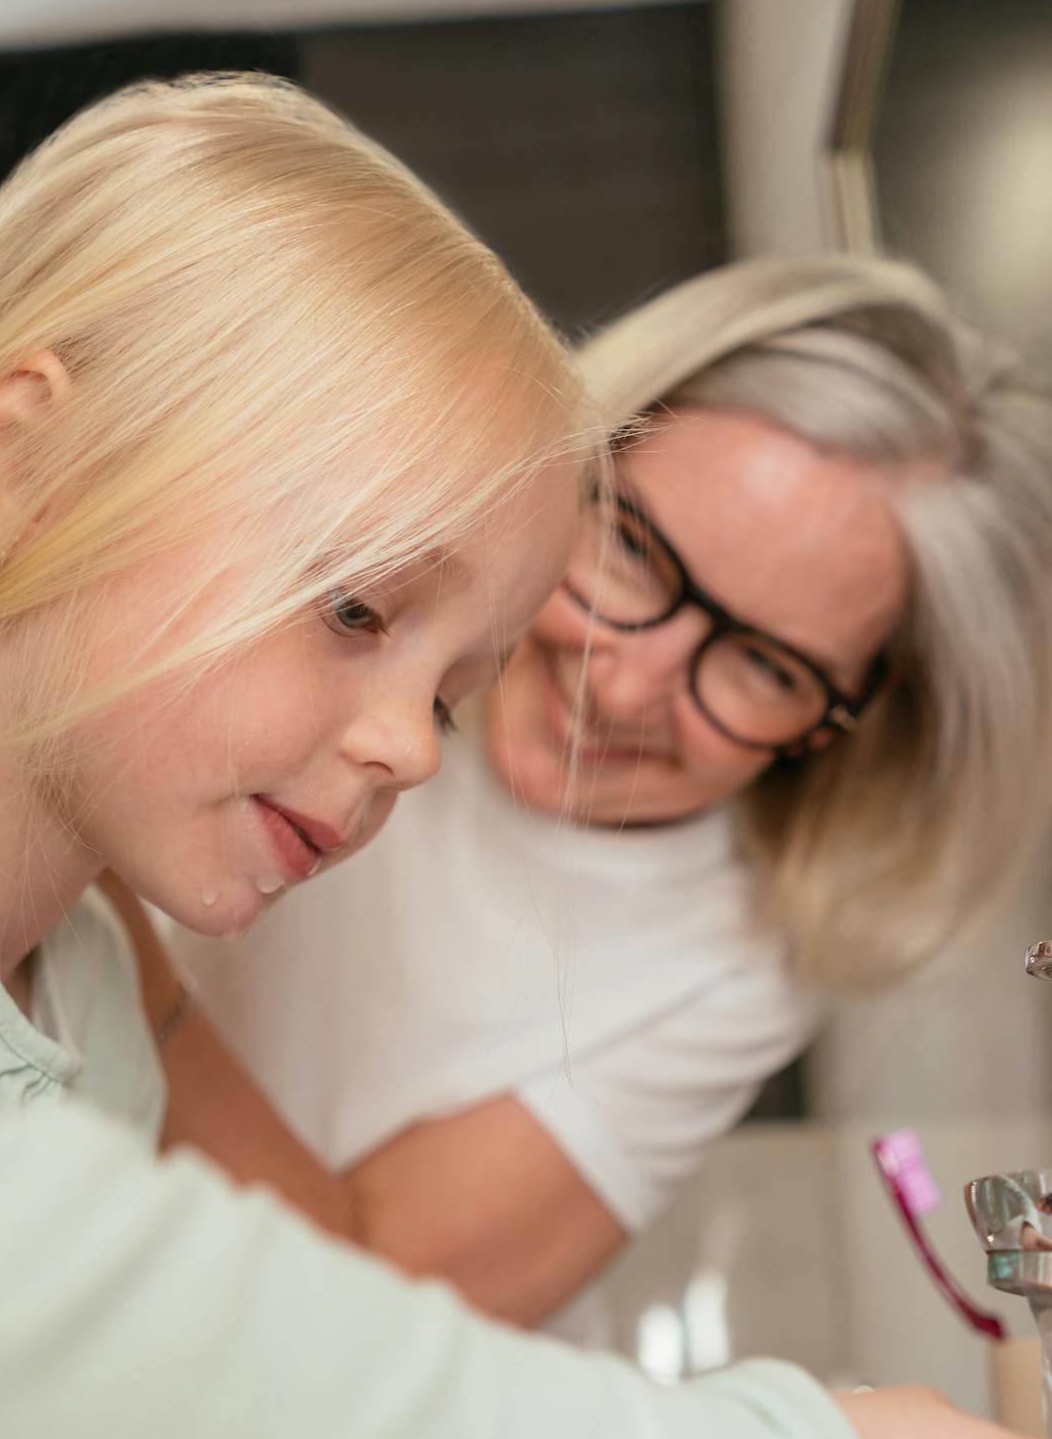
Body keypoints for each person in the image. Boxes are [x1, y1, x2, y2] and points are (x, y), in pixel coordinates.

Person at [0, 72, 1051, 1439]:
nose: (406, 748)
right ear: (27, 459)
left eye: (447, 684)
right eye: (359, 602)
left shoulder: (73, 969)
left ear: (833, 721)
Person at [152, 254, 1052, 1326]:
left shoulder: (738, 962)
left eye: (765, 666)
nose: (625, 685)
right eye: (631, 547)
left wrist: (102, 949)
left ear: (850, 713)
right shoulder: (345, 539)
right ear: (577, 449)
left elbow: (369, 1305)